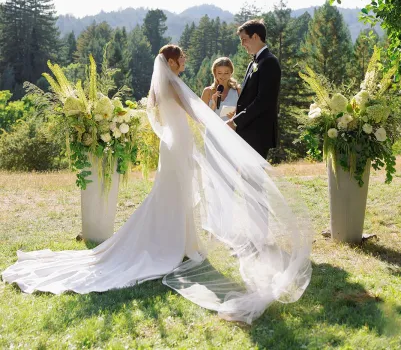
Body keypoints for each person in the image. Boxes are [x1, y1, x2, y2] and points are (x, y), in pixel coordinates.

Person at [2, 44, 311, 325]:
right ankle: (173, 244)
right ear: (173, 61)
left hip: (172, 143)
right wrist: (225, 126)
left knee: (171, 193)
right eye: (183, 58)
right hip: (178, 146)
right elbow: (197, 113)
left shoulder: (159, 86)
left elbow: (166, 113)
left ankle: (181, 242)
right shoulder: (173, 85)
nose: (186, 60)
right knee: (174, 193)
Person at [226, 19, 281, 160]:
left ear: (255, 37)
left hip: (258, 132)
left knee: (251, 180)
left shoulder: (269, 62)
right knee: (244, 179)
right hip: (248, 131)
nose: (242, 44)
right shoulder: (254, 63)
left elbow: (264, 100)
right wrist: (236, 113)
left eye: (244, 39)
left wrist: (236, 121)